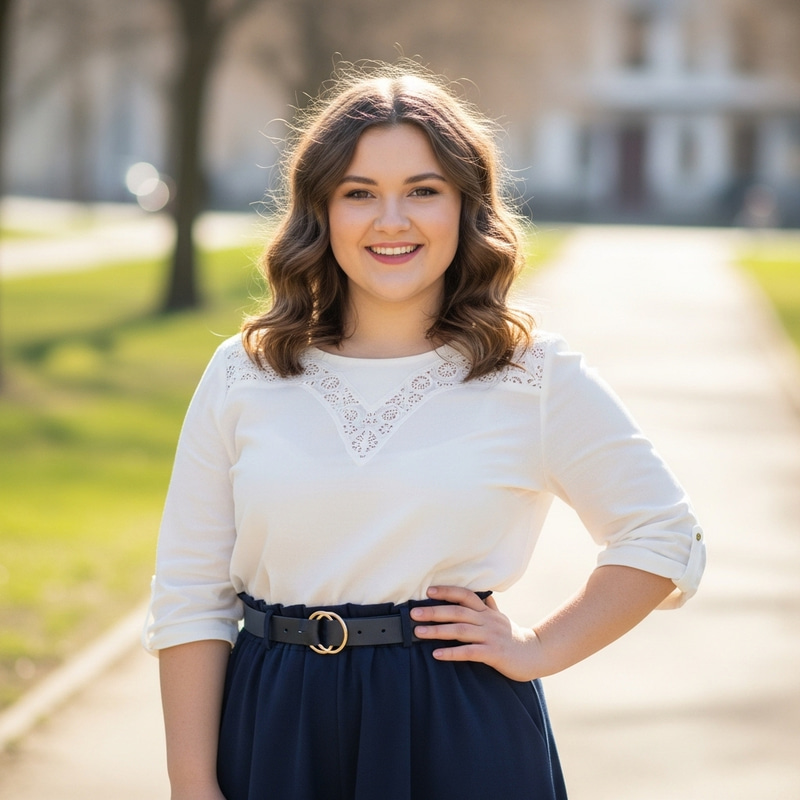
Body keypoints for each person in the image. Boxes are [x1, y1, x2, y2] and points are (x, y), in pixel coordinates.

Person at [144, 62, 706, 800]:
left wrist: (538, 647)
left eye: (423, 191)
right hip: (275, 724)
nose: (392, 221)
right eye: (359, 194)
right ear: (321, 211)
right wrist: (192, 783)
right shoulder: (244, 372)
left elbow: (664, 538)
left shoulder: (529, 374)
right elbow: (190, 593)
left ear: (466, 208)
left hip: (458, 727)